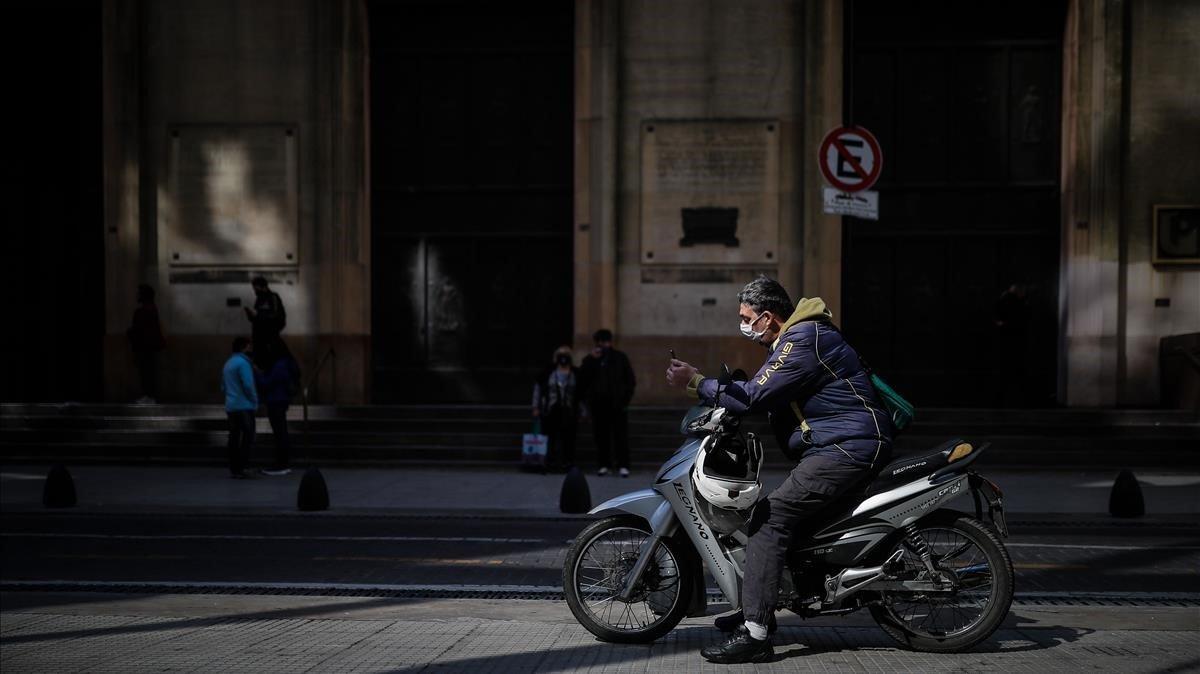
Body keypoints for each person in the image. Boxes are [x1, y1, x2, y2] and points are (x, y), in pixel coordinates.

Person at [666, 276, 894, 664]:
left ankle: (756, 634)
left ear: (767, 317)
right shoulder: (796, 339)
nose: (742, 324)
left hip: (846, 448)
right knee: (786, 525)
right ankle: (760, 606)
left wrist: (696, 381)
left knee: (769, 520)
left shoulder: (801, 339)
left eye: (745, 317)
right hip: (839, 445)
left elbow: (754, 395)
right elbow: (759, 388)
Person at [579, 329, 636, 477]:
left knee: (620, 436)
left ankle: (623, 464)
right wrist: (592, 360)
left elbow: (630, 380)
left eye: (604, 342)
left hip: (617, 404)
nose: (602, 345)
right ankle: (604, 464)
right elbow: (583, 379)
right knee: (601, 436)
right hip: (599, 405)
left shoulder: (619, 358)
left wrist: (625, 401)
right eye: (599, 342)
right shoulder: (591, 360)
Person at [532, 346, 580, 472]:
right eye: (560, 355)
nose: (563, 358)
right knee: (551, 438)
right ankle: (550, 462)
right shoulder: (548, 372)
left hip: (568, 410)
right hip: (551, 410)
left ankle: (567, 462)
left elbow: (580, 394)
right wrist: (536, 407)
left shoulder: (575, 373)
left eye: (566, 355)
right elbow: (538, 389)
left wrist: (583, 410)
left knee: (568, 438)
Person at [256, 341, 300, 476]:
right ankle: (282, 462)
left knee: (280, 433)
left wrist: (257, 373)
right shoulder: (286, 363)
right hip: (280, 400)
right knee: (281, 432)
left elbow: (267, 383)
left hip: (276, 400)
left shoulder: (280, 366)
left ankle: (281, 463)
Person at [222, 337, 259, 479]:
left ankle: (235, 469)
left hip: (231, 407)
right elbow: (248, 385)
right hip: (244, 406)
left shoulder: (228, 363)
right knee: (248, 437)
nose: (251, 348)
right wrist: (254, 401)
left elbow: (223, 386)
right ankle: (243, 467)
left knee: (234, 437)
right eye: (249, 345)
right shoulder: (244, 363)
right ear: (244, 347)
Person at [126, 283, 166, 404]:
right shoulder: (152, 309)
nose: (136, 295)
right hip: (150, 347)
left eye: (138, 293)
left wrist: (130, 333)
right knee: (148, 372)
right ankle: (149, 395)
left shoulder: (142, 311)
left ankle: (148, 395)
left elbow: (138, 330)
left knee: (146, 372)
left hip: (144, 347)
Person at [244, 277, 286, 368]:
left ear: (263, 287)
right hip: (258, 339)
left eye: (256, 288)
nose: (255, 291)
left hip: (269, 339)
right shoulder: (259, 299)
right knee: (259, 365)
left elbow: (276, 316)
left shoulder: (273, 297)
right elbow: (256, 318)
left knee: (270, 365)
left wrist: (259, 315)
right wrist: (250, 315)